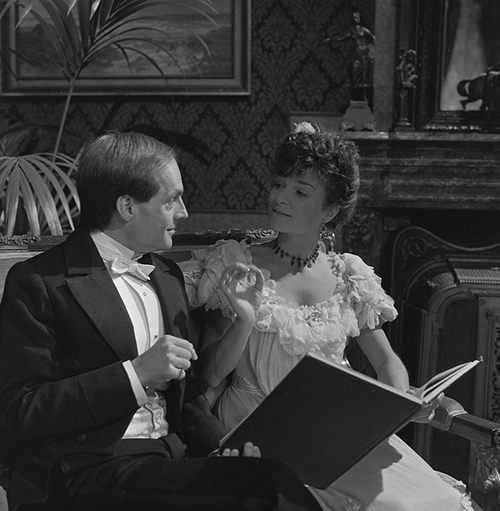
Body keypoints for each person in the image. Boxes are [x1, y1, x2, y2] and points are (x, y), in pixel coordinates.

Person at [0, 131, 325, 511]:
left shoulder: (166, 277)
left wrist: (223, 450)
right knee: (268, 486)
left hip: (168, 460)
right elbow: (17, 412)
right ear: (127, 206)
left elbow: (190, 395)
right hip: (85, 469)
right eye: (171, 200)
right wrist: (135, 374)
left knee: (265, 473)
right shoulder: (39, 282)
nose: (183, 212)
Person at [181, 123, 480, 511]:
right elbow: (210, 375)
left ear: (330, 210)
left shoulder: (348, 274)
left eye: (300, 191)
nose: (279, 197)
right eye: (278, 184)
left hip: (334, 430)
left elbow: (386, 361)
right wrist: (244, 319)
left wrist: (401, 401)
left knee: (435, 501)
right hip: (260, 428)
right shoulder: (236, 263)